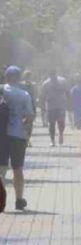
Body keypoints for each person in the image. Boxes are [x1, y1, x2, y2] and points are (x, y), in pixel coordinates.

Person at [1, 66, 34, 210]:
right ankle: (19, 200)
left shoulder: (1, 90)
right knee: (17, 168)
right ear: (19, 78)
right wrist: (22, 125)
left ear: (6, 76)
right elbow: (30, 117)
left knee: (1, 169)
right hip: (18, 134)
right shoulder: (24, 94)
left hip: (1, 135)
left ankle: (1, 200)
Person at [41, 70, 69, 146]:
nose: (53, 77)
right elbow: (43, 96)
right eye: (51, 75)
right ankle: (52, 140)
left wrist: (68, 103)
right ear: (49, 75)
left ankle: (61, 134)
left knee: (61, 122)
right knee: (51, 124)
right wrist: (43, 107)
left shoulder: (62, 81)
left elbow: (67, 92)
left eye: (54, 75)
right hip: (51, 106)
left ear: (56, 74)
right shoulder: (46, 83)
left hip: (61, 105)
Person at [20, 71, 37, 146]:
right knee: (24, 123)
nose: (28, 78)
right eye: (27, 76)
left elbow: (35, 95)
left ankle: (28, 138)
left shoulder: (33, 85)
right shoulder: (21, 85)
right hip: (23, 106)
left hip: (31, 105)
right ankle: (26, 139)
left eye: (29, 76)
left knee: (30, 124)